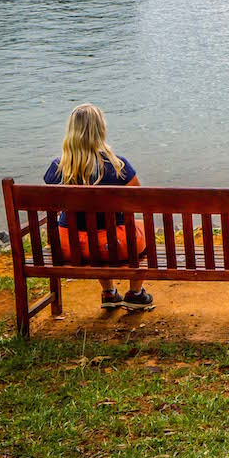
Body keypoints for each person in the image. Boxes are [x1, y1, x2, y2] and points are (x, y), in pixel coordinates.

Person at [44, 103, 153, 311]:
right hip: (113, 245)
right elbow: (140, 200)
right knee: (141, 226)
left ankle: (109, 292)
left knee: (92, 234)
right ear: (100, 131)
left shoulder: (58, 167)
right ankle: (136, 293)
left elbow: (51, 204)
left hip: (68, 246)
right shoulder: (118, 165)